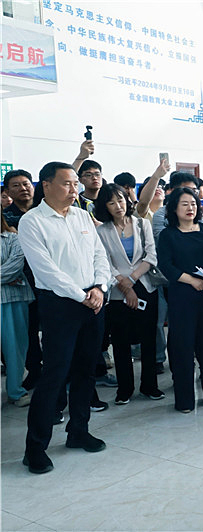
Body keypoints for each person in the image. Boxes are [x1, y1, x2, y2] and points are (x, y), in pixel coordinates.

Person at [18, 162, 112, 474]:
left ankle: (79, 431)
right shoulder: (33, 222)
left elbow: (99, 255)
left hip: (93, 301)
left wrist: (99, 287)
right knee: (54, 375)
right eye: (67, 184)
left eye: (75, 184)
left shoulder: (83, 216)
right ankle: (35, 448)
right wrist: (81, 295)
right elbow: (45, 270)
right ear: (46, 185)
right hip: (59, 304)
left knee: (86, 370)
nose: (75, 190)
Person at [94, 184, 164, 404]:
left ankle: (150, 386)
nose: (118, 206)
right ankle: (124, 389)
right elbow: (103, 261)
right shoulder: (102, 231)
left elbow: (151, 256)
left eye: (121, 200)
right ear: (105, 206)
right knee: (120, 341)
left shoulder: (142, 224)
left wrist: (132, 280)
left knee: (149, 339)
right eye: (112, 202)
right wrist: (124, 285)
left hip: (144, 285)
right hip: (117, 290)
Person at [156, 187, 203, 412]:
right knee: (182, 347)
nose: (190, 208)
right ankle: (184, 400)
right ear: (174, 208)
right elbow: (165, 265)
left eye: (193, 203)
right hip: (181, 296)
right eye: (184, 204)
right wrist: (191, 281)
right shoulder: (168, 234)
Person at [1, 215, 35, 406]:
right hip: (9, 290)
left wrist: (8, 276)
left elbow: (14, 266)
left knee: (15, 348)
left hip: (12, 299)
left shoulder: (13, 238)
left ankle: (15, 391)